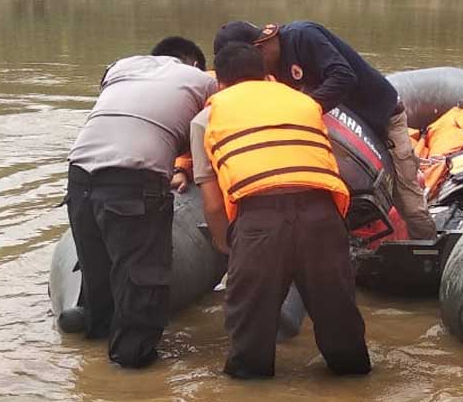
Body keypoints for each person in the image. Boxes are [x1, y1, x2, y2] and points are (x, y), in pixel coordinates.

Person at [190, 42, 371, 379]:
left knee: (249, 334)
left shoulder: (207, 117)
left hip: (259, 219)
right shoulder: (304, 103)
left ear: (220, 84)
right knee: (340, 320)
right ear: (268, 75)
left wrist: (227, 246)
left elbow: (214, 204)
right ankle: (355, 390)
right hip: (322, 216)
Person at [63, 36, 218, 368]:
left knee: (98, 273)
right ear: (193, 63)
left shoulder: (123, 67)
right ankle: (132, 373)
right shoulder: (204, 81)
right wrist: (185, 169)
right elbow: (210, 131)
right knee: (143, 276)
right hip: (133, 180)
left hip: (79, 176)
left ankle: (94, 363)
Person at [212, 20, 436, 241]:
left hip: (381, 120)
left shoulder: (303, 36)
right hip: (338, 133)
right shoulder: (269, 72)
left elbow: (343, 76)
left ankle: (428, 255)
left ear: (260, 48)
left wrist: (303, 110)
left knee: (410, 203)